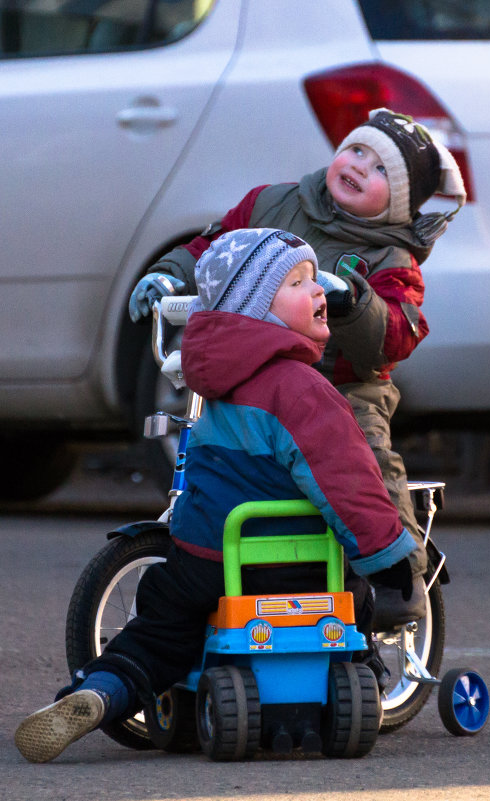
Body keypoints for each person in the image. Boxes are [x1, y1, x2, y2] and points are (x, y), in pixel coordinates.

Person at [15, 228, 420, 764]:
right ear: (258, 312)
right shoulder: (301, 388)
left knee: (160, 631)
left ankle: (100, 691)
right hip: (288, 565)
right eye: (297, 282)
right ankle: (356, 673)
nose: (319, 288)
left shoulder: (214, 385)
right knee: (359, 601)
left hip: (203, 558)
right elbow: (347, 484)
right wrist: (389, 559)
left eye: (313, 277)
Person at [128, 109, 466, 621]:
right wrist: (169, 275)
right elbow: (212, 250)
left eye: (379, 169)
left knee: (364, 456)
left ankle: (400, 573)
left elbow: (397, 334)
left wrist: (356, 301)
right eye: (356, 150)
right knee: (215, 440)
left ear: (398, 202)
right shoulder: (272, 202)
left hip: (342, 384)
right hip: (256, 365)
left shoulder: (393, 260)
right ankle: (213, 551)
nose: (358, 165)